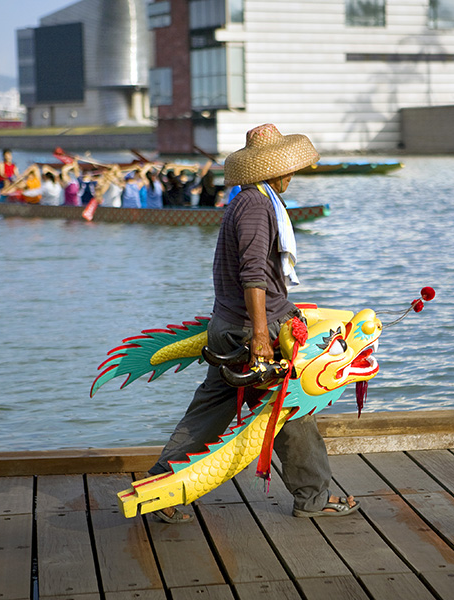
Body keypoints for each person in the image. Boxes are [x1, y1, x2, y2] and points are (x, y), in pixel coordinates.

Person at [147, 123, 358, 523]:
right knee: (292, 412)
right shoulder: (258, 207)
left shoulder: (250, 201)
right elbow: (253, 276)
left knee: (215, 410)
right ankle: (313, 497)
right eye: (286, 168)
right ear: (271, 171)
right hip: (248, 331)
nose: (291, 175)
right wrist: (262, 335)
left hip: (232, 325)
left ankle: (164, 489)